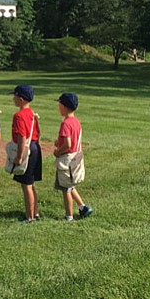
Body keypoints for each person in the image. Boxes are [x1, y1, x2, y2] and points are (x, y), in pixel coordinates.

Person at [53, 92, 93, 221]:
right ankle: (83, 207)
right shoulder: (76, 121)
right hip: (75, 158)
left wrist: (58, 151)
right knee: (70, 185)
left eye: (59, 104)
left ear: (64, 107)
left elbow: (68, 144)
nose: (58, 107)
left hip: (66, 161)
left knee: (66, 190)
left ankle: (69, 216)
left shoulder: (65, 124)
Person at [10, 84, 42, 223]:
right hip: (35, 146)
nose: (13, 98)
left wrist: (19, 156)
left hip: (26, 149)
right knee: (31, 183)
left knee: (26, 185)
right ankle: (35, 212)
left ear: (21, 99)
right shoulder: (32, 114)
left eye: (15, 96)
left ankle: (29, 216)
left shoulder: (19, 116)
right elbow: (38, 132)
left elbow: (22, 137)